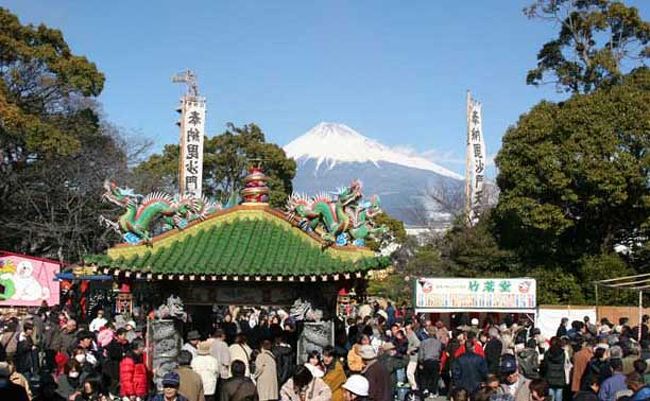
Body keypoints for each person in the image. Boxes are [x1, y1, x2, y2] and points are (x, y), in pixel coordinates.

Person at [418, 325, 442, 397]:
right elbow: (439, 352)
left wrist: (421, 362)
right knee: (434, 377)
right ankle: (433, 392)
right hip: (435, 361)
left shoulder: (423, 342)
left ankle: (425, 389)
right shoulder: (438, 343)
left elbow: (421, 353)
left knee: (425, 376)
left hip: (426, 360)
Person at [404, 323, 420, 392]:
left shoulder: (413, 335)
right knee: (409, 373)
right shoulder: (407, 335)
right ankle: (412, 387)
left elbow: (418, 344)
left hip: (413, 357)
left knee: (409, 372)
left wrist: (410, 350)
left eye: (408, 329)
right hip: (408, 358)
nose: (407, 330)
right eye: (406, 329)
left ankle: (414, 387)